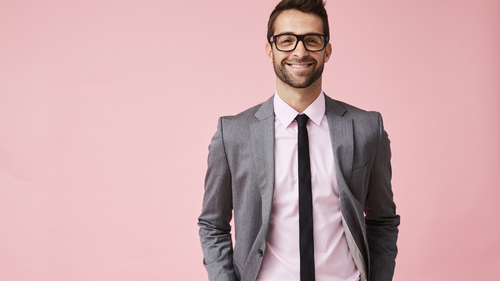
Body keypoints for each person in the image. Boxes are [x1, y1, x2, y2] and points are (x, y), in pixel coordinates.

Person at [198, 0, 400, 280]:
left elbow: (383, 221)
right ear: (269, 50)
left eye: (312, 40)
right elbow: (212, 224)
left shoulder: (367, 129)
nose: (300, 50)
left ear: (327, 50)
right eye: (287, 40)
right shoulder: (232, 133)